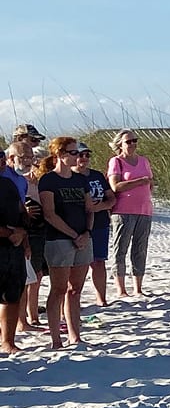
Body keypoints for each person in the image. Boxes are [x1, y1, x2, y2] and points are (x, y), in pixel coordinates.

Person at [38, 136, 94, 348]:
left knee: (75, 289)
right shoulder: (49, 180)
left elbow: (89, 209)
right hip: (59, 239)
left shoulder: (80, 180)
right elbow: (50, 214)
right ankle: (56, 339)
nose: (77, 156)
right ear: (60, 155)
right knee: (59, 288)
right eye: (72, 152)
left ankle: (75, 335)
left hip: (83, 237)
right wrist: (74, 235)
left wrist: (86, 232)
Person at [107, 129, 153, 297]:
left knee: (140, 248)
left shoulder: (144, 161)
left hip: (144, 210)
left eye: (135, 140)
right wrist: (139, 182)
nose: (132, 144)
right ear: (120, 144)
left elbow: (151, 183)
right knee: (120, 249)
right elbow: (116, 186)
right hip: (123, 210)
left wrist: (145, 187)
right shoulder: (116, 161)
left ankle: (138, 287)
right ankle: (121, 288)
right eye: (128, 141)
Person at [73, 143, 116, 307]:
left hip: (100, 223)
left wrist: (100, 206)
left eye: (87, 155)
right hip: (78, 225)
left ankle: (101, 298)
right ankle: (74, 299)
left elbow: (111, 198)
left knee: (98, 261)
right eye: (79, 154)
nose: (83, 158)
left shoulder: (97, 176)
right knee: (78, 264)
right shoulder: (69, 177)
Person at [9, 142, 45, 330]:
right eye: (23, 157)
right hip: (10, 231)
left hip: (29, 231)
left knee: (30, 275)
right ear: (11, 158)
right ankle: (20, 322)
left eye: (30, 157)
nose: (28, 161)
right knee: (17, 278)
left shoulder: (27, 179)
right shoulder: (7, 176)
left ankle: (26, 319)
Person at [1, 167, 28, 354]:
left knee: (13, 294)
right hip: (5, 239)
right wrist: (10, 233)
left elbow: (22, 210)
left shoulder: (8, 183)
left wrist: (23, 233)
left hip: (14, 246)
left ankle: (8, 341)